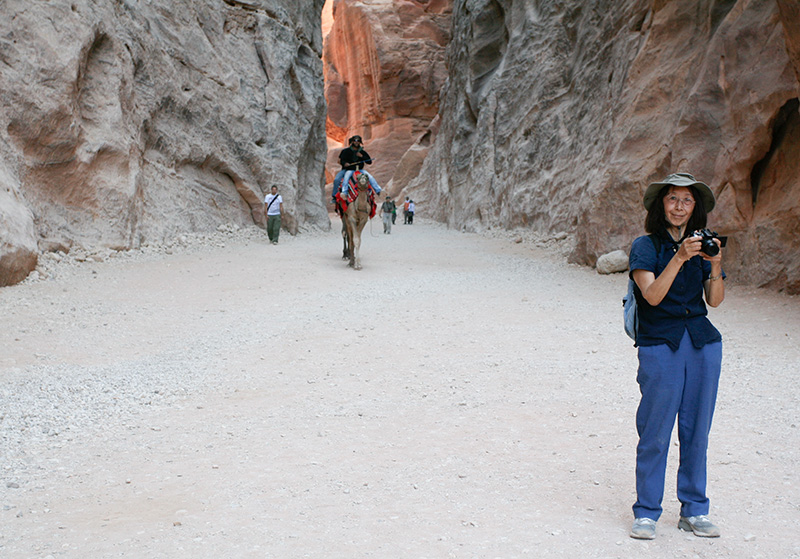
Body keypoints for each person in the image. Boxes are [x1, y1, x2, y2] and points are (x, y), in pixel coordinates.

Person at [628, 172, 726, 541]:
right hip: (660, 344)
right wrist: (680, 257)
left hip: (703, 343)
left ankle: (695, 510)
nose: (680, 207)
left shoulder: (701, 247)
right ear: (661, 205)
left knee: (696, 430)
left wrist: (714, 264)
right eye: (673, 199)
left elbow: (714, 301)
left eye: (687, 201)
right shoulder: (645, 246)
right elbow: (652, 295)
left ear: (694, 208)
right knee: (655, 430)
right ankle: (647, 512)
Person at [332, 135, 381, 199]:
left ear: (360, 142)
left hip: (359, 169)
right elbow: (339, 160)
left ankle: (378, 191)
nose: (356, 142)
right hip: (348, 169)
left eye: (358, 141)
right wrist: (345, 163)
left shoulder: (362, 152)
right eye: (355, 141)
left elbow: (369, 162)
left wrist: (361, 156)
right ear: (352, 142)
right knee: (338, 179)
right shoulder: (346, 151)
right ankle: (340, 194)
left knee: (370, 177)